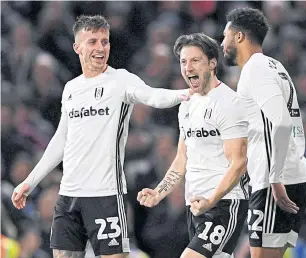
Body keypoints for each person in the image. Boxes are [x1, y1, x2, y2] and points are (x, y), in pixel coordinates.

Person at [11, 15, 191, 258]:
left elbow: (153, 96)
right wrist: (29, 182)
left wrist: (187, 93)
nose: (100, 48)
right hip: (69, 195)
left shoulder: (121, 80)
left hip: (105, 194)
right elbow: (60, 141)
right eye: (93, 41)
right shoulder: (71, 89)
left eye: (104, 42)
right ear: (77, 47)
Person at [137, 33, 249, 258]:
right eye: (183, 62)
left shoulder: (229, 103)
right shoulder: (187, 105)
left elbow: (239, 163)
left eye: (195, 60)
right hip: (195, 205)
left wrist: (211, 201)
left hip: (224, 204)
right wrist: (159, 193)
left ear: (212, 63)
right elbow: (182, 159)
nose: (188, 67)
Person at [221, 8, 306, 258]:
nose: (222, 43)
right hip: (288, 174)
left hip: (276, 181)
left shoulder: (256, 69)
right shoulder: (274, 66)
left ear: (239, 37)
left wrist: (275, 177)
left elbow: (281, 122)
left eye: (225, 36)